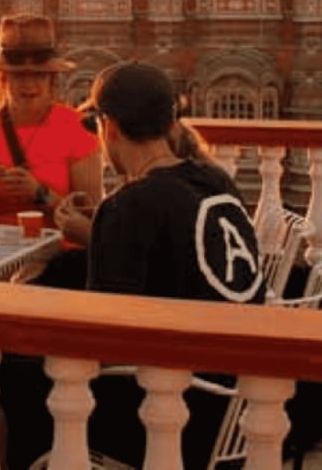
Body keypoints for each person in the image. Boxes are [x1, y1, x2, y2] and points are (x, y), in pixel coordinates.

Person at [79, 60, 266, 468]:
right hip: (237, 409)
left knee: (18, 382)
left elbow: (104, 341)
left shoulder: (127, 208)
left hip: (170, 419)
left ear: (109, 127)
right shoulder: (216, 181)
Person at [0, 13, 103, 229]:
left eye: (38, 76)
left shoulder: (76, 126)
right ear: (3, 79)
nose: (29, 85)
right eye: (18, 76)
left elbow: (90, 216)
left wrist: (39, 193)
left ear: (51, 79)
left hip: (58, 244)